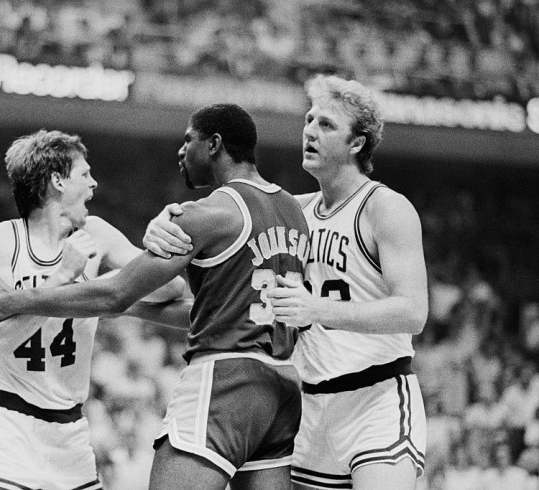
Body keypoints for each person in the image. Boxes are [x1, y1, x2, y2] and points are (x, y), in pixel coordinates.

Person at [0, 104, 308, 490]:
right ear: (56, 182)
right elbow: (206, 306)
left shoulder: (205, 212)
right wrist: (104, 299)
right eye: (86, 174)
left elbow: (119, 294)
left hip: (226, 377)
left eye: (188, 141)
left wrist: (26, 297)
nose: (181, 152)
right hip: (282, 381)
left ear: (214, 144)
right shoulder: (292, 210)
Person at [143, 75, 428, 490]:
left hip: (377, 398)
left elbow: (413, 312)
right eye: (309, 119)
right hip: (309, 406)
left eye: (326, 125)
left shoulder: (385, 208)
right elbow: (233, 310)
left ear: (357, 144)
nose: (309, 131)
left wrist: (317, 309)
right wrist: (162, 225)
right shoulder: (291, 210)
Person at [0, 129, 186, 490]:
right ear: (56, 182)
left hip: (71, 435)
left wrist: (152, 245)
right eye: (85, 174)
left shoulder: (95, 232)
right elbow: (4, 340)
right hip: (11, 429)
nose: (94, 184)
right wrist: (64, 276)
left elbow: (172, 287)